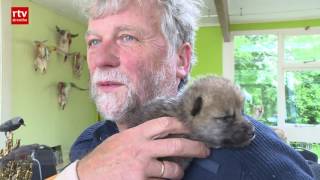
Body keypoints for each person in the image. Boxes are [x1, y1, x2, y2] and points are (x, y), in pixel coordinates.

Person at [56, 0, 314, 179]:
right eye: (94, 41)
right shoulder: (90, 141)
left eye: (127, 37)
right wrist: (79, 174)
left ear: (181, 59)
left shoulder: (252, 159)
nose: (100, 59)